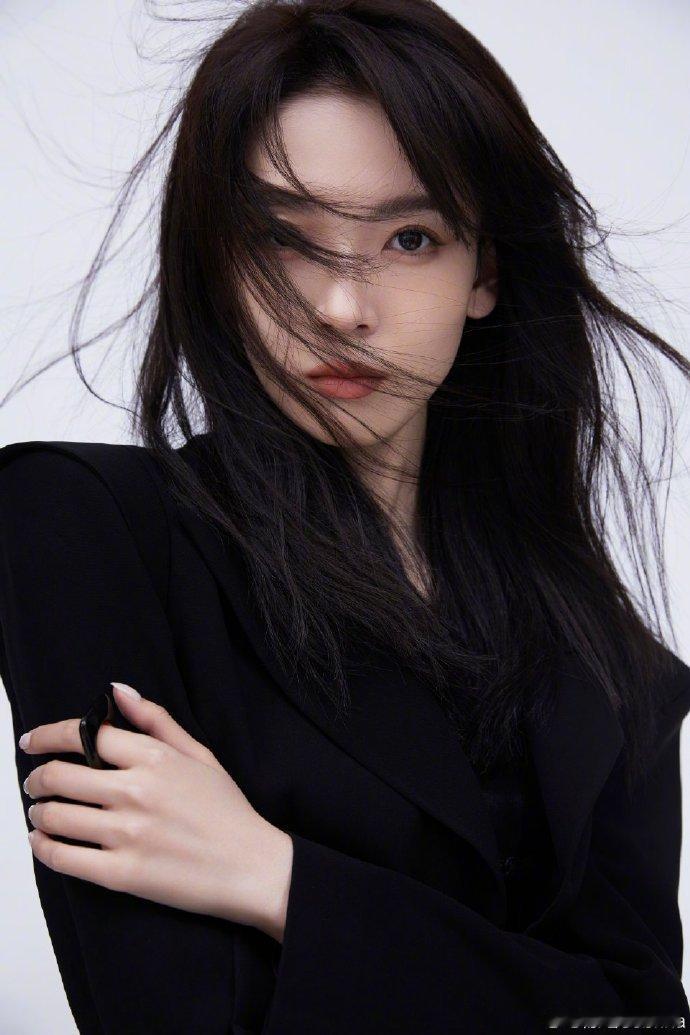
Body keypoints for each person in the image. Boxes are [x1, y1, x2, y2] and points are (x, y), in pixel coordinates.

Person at [2, 1, 690, 1031]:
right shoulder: (87, 526)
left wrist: (276, 878)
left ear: (484, 272)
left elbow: (642, 1017)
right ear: (217, 258)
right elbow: (170, 1012)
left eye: (410, 238)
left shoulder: (605, 655)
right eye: (284, 239)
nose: (340, 308)